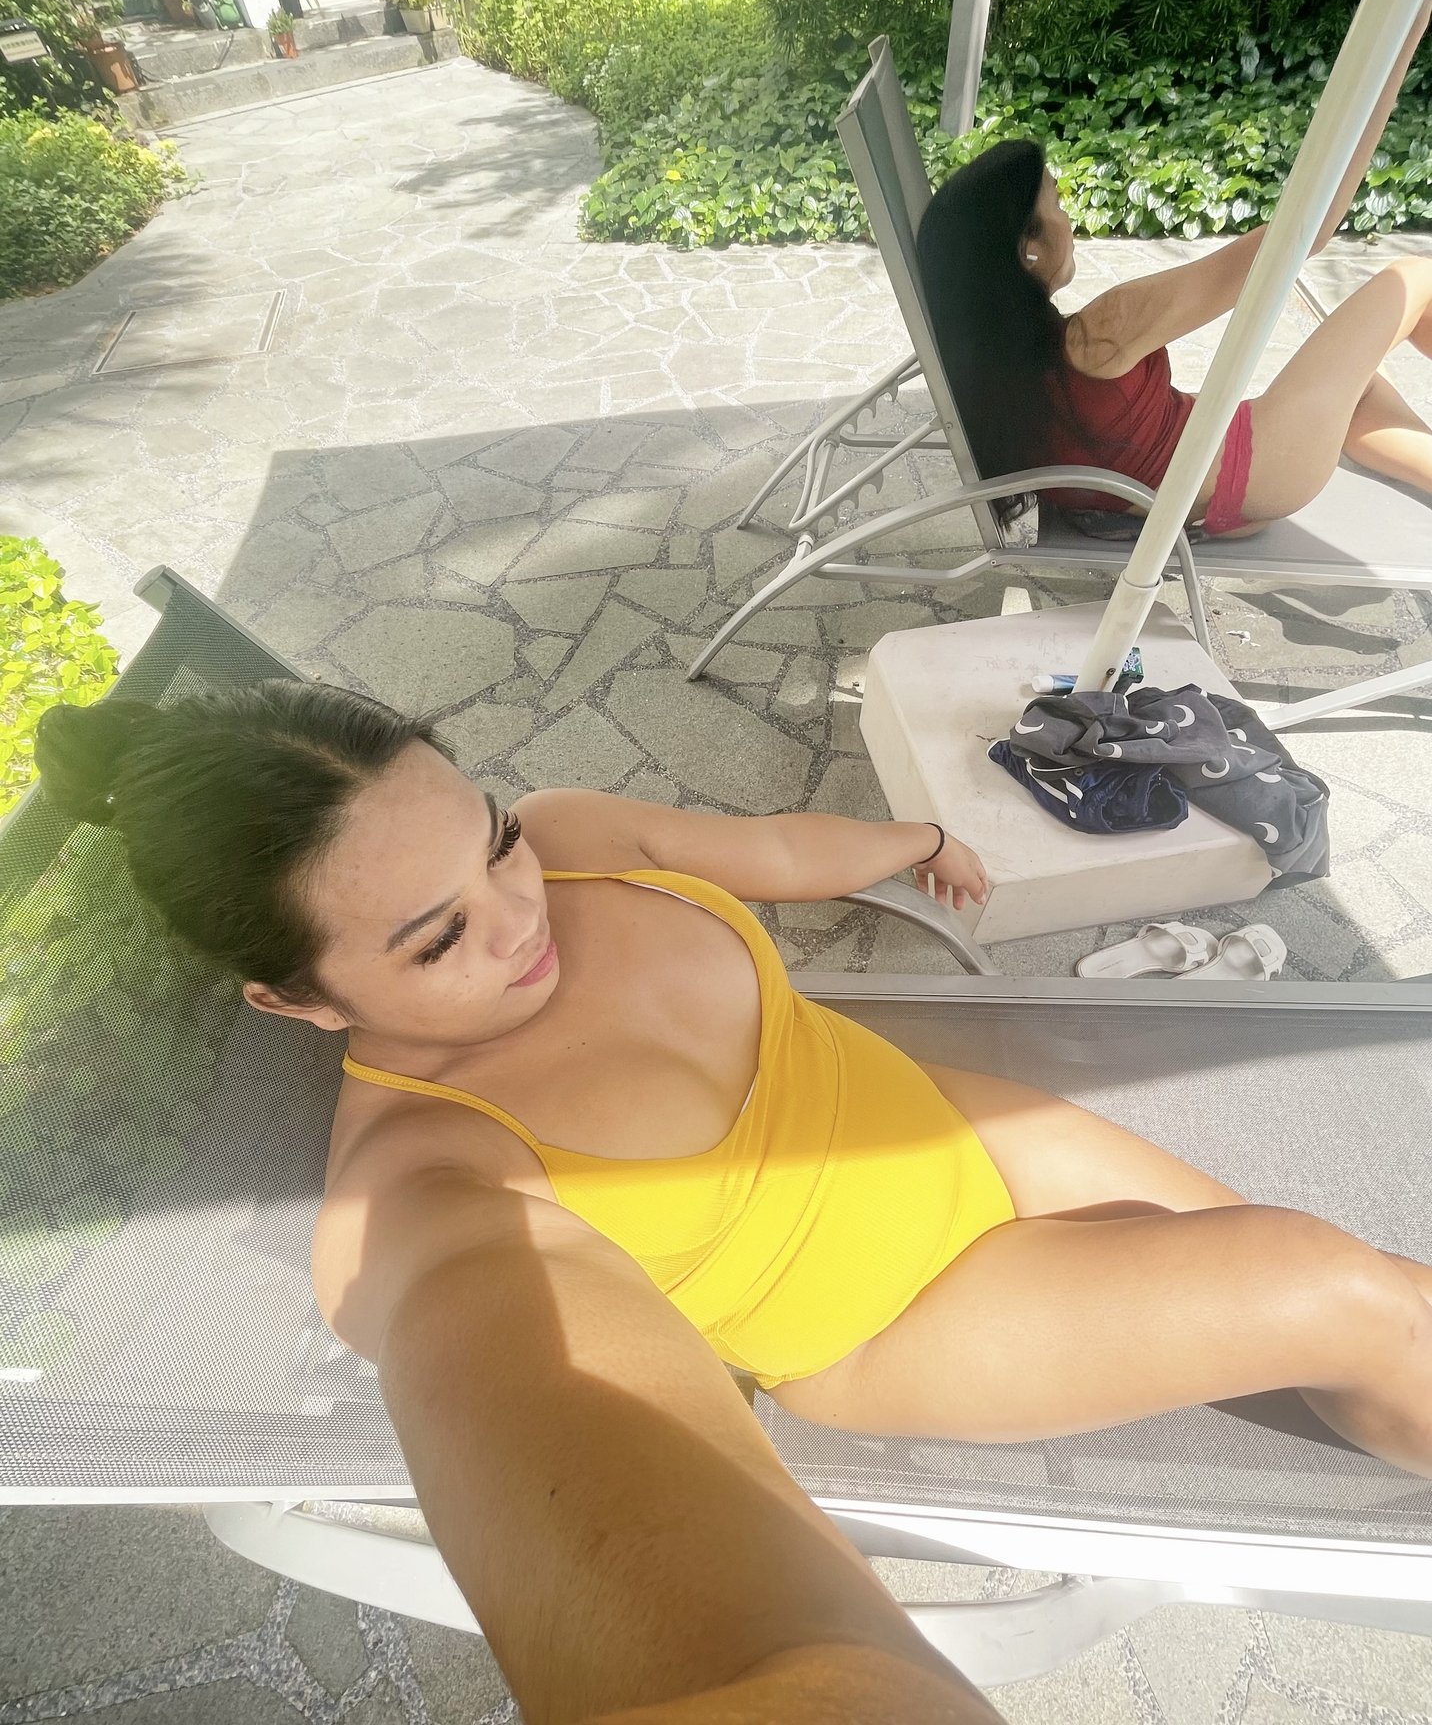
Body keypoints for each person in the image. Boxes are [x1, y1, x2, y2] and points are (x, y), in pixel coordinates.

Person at [34, 684, 1432, 1720]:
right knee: (1327, 1288)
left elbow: (768, 850)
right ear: (297, 1001)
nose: (521, 916)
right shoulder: (428, 1188)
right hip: (899, 1317)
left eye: (493, 842)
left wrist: (910, 836)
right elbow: (653, 1561)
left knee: (1364, 1295)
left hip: (949, 1124)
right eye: (440, 935)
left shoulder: (576, 838)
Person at [917, 0, 1432, 539]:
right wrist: (1412, 14)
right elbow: (1305, 233)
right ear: (1027, 250)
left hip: (1204, 487)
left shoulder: (1011, 374)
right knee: (1413, 278)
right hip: (1258, 465)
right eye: (1056, 202)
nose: (1069, 218)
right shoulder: (1104, 331)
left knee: (1359, 388)